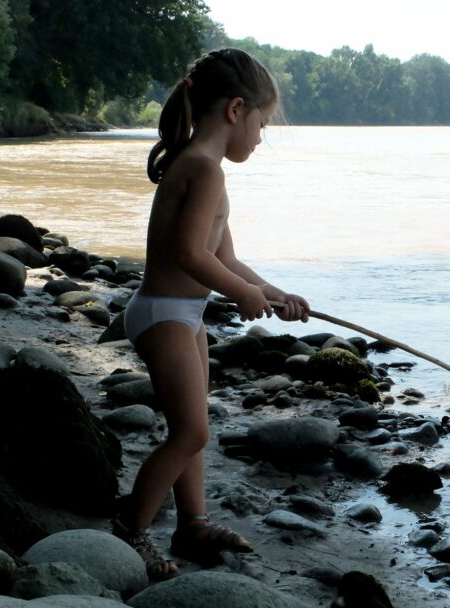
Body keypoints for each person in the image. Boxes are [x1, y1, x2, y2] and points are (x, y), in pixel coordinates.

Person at [113, 48, 310, 579]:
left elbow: (224, 257)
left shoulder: (205, 167)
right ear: (236, 110)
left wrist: (273, 292)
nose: (261, 136)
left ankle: (192, 524)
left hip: (183, 311)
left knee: (192, 424)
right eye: (262, 123)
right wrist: (242, 297)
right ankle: (130, 530)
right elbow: (188, 254)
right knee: (191, 433)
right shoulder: (202, 169)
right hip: (165, 314)